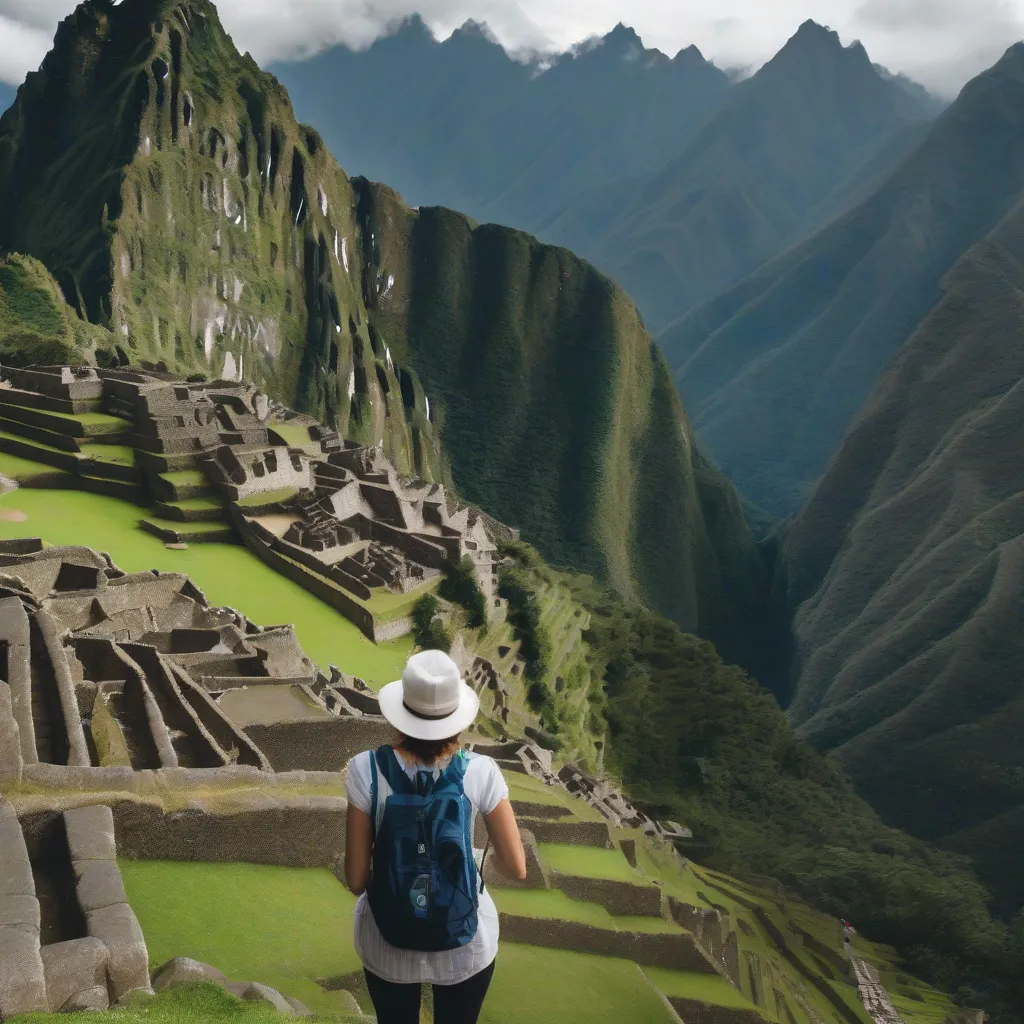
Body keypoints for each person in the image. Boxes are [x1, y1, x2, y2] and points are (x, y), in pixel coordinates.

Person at [344, 649, 528, 1024]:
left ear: (401, 714)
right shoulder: (483, 772)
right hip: (465, 944)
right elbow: (516, 867)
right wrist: (471, 858)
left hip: (387, 943)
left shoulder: (366, 770)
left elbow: (356, 879)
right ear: (457, 720)